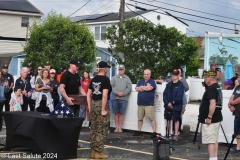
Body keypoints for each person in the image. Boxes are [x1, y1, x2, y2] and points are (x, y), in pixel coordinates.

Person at [87, 61, 112, 159]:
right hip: (101, 104)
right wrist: (103, 109)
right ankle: (98, 151)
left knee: (94, 127)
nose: (107, 69)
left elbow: (88, 94)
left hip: (93, 104)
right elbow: (104, 95)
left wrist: (90, 107)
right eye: (107, 68)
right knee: (102, 128)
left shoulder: (93, 79)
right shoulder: (105, 79)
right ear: (104, 69)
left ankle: (93, 151)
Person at [199, 71, 223, 160]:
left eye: (205, 77)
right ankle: (215, 157)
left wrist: (209, 117)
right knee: (214, 139)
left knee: (210, 141)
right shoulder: (217, 87)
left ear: (209, 78)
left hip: (211, 119)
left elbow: (212, 104)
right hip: (217, 117)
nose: (205, 79)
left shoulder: (211, 88)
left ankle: (212, 158)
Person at [133, 69, 157, 138]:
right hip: (140, 103)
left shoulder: (152, 82)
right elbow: (137, 89)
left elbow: (150, 88)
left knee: (151, 118)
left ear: (150, 75)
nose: (146, 75)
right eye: (145, 74)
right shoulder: (140, 81)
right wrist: (145, 87)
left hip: (149, 103)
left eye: (147, 74)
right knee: (140, 118)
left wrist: (142, 87)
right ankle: (139, 131)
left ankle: (154, 132)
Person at [163, 69, 184, 141]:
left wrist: (172, 103)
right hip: (168, 106)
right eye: (173, 75)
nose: (173, 76)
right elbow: (165, 94)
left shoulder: (181, 85)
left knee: (176, 120)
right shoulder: (169, 84)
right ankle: (168, 134)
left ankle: (176, 135)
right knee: (168, 119)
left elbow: (179, 96)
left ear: (178, 76)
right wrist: (167, 103)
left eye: (175, 75)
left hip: (176, 106)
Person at [111, 64, 132, 132]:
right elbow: (111, 87)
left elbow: (129, 87)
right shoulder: (114, 78)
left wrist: (124, 93)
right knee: (116, 113)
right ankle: (116, 127)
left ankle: (120, 127)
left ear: (124, 70)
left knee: (121, 113)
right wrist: (117, 93)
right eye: (120, 69)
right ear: (118, 70)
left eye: (122, 69)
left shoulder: (127, 78)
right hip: (115, 98)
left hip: (124, 98)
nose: (121, 71)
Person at [228, 74, 240, 156]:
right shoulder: (237, 87)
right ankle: (238, 147)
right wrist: (230, 105)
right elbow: (232, 96)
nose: (238, 78)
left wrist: (231, 103)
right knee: (237, 131)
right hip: (237, 113)